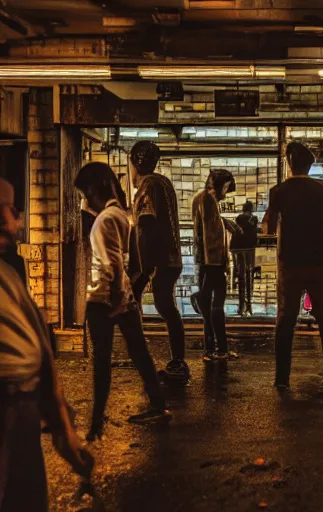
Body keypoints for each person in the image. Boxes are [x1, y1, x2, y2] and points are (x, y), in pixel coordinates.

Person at [0, 178, 92, 511]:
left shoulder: (11, 271)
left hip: (22, 405)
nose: (14, 221)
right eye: (9, 212)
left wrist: (61, 426)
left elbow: (40, 348)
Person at [74, 162, 169, 441]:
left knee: (102, 362)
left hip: (103, 297)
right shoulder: (119, 214)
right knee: (139, 353)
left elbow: (112, 262)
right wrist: (125, 296)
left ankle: (95, 425)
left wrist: (114, 296)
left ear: (97, 188)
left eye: (86, 192)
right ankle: (158, 405)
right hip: (122, 296)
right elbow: (126, 260)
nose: (85, 198)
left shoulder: (105, 219)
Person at [263, 142, 323, 391]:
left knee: (286, 320)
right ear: (310, 165)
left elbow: (267, 227)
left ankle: (282, 378)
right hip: (318, 262)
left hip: (290, 263)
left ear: (288, 163)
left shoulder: (279, 191)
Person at [130, 141, 189, 383]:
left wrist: (146, 268)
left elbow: (147, 225)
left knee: (163, 307)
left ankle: (177, 362)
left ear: (136, 163)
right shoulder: (163, 183)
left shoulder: (148, 185)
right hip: (171, 258)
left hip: (159, 260)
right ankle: (175, 361)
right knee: (166, 307)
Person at [192, 169, 237, 362]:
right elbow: (210, 234)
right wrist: (220, 263)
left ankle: (214, 348)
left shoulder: (202, 198)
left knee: (211, 306)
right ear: (222, 185)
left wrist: (225, 222)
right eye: (226, 188)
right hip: (212, 262)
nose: (225, 194)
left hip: (208, 262)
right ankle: (219, 349)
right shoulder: (208, 200)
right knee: (216, 305)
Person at [230, 200, 258, 316]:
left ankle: (241, 306)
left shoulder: (238, 218)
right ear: (251, 209)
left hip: (237, 249)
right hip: (249, 249)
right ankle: (248, 305)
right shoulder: (254, 218)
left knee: (241, 276)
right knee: (249, 275)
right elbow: (254, 232)